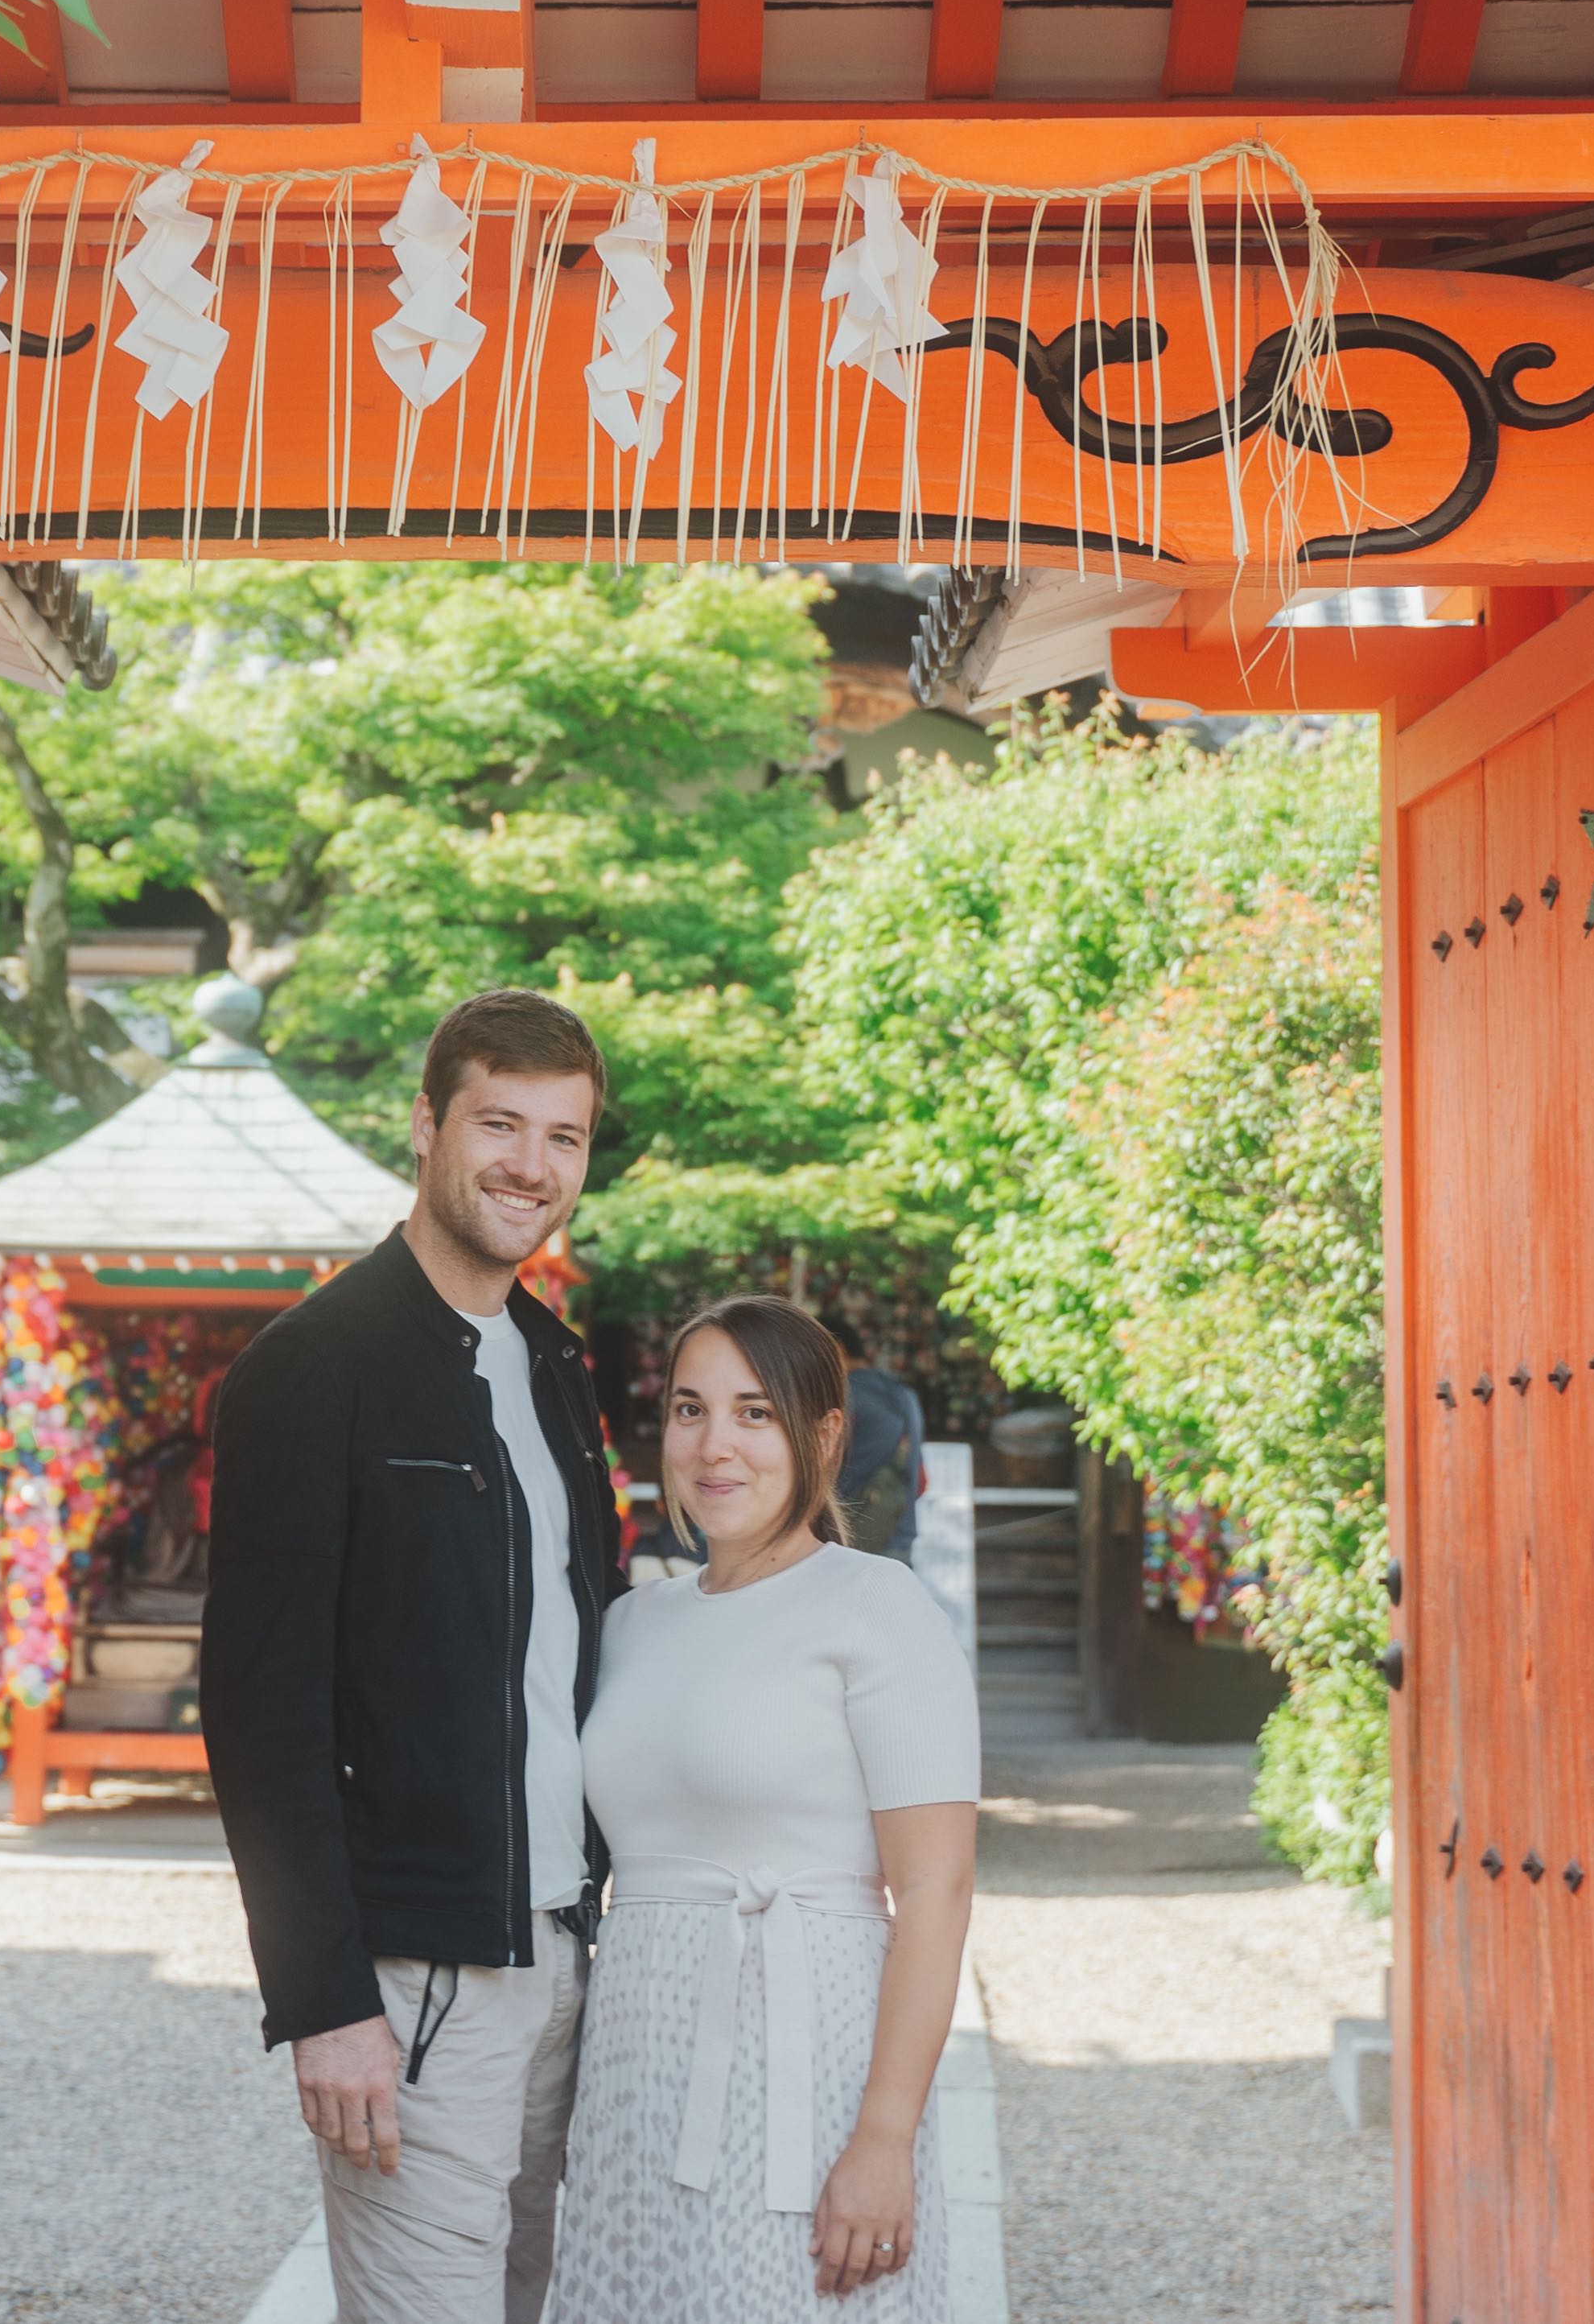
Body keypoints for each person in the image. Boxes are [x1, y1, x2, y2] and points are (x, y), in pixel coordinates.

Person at [204, 989, 624, 2323]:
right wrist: (323, 2000)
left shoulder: (556, 1367)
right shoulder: (313, 1366)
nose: (529, 1165)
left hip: (572, 1952)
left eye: (562, 1137)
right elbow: (258, 1713)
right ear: (427, 1124)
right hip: (419, 1980)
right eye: (498, 1122)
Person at [547, 1296, 981, 2319]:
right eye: (690, 1409)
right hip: (635, 2065)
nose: (714, 1444)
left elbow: (936, 1887)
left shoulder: (876, 1605)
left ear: (823, 1434)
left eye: (755, 1412)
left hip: (810, 2055)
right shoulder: (632, 1620)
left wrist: (882, 2138)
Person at [822, 1313, 927, 1564]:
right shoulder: (905, 1394)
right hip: (901, 1537)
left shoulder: (843, 1396)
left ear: (837, 1349)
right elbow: (922, 1480)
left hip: (852, 1542)